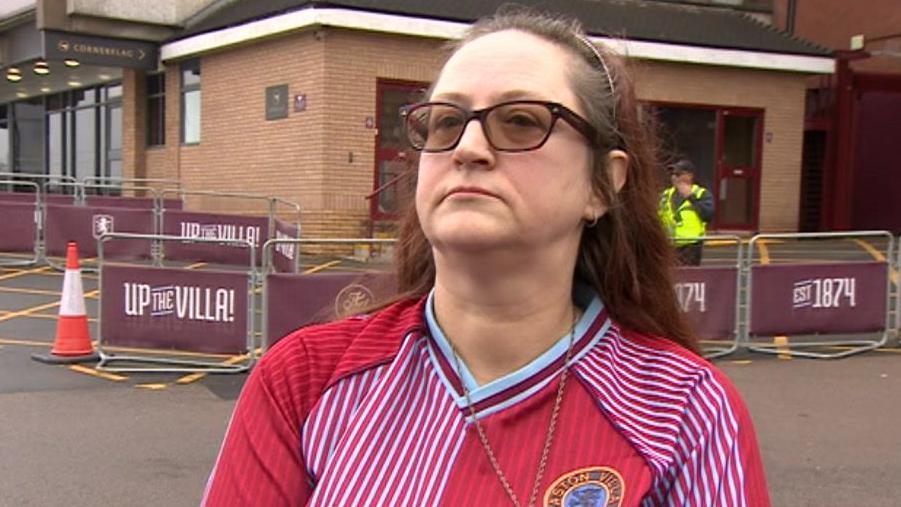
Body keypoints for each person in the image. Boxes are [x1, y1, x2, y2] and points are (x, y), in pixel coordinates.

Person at [202, 9, 769, 506]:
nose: (469, 148)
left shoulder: (685, 413)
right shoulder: (303, 379)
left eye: (521, 121)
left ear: (603, 184)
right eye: (446, 122)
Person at [658, 159, 714, 266]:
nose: (674, 177)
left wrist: (691, 197)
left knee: (690, 278)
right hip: (669, 245)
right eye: (673, 174)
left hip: (691, 245)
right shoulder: (665, 195)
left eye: (678, 174)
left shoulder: (700, 193)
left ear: (689, 176)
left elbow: (708, 215)